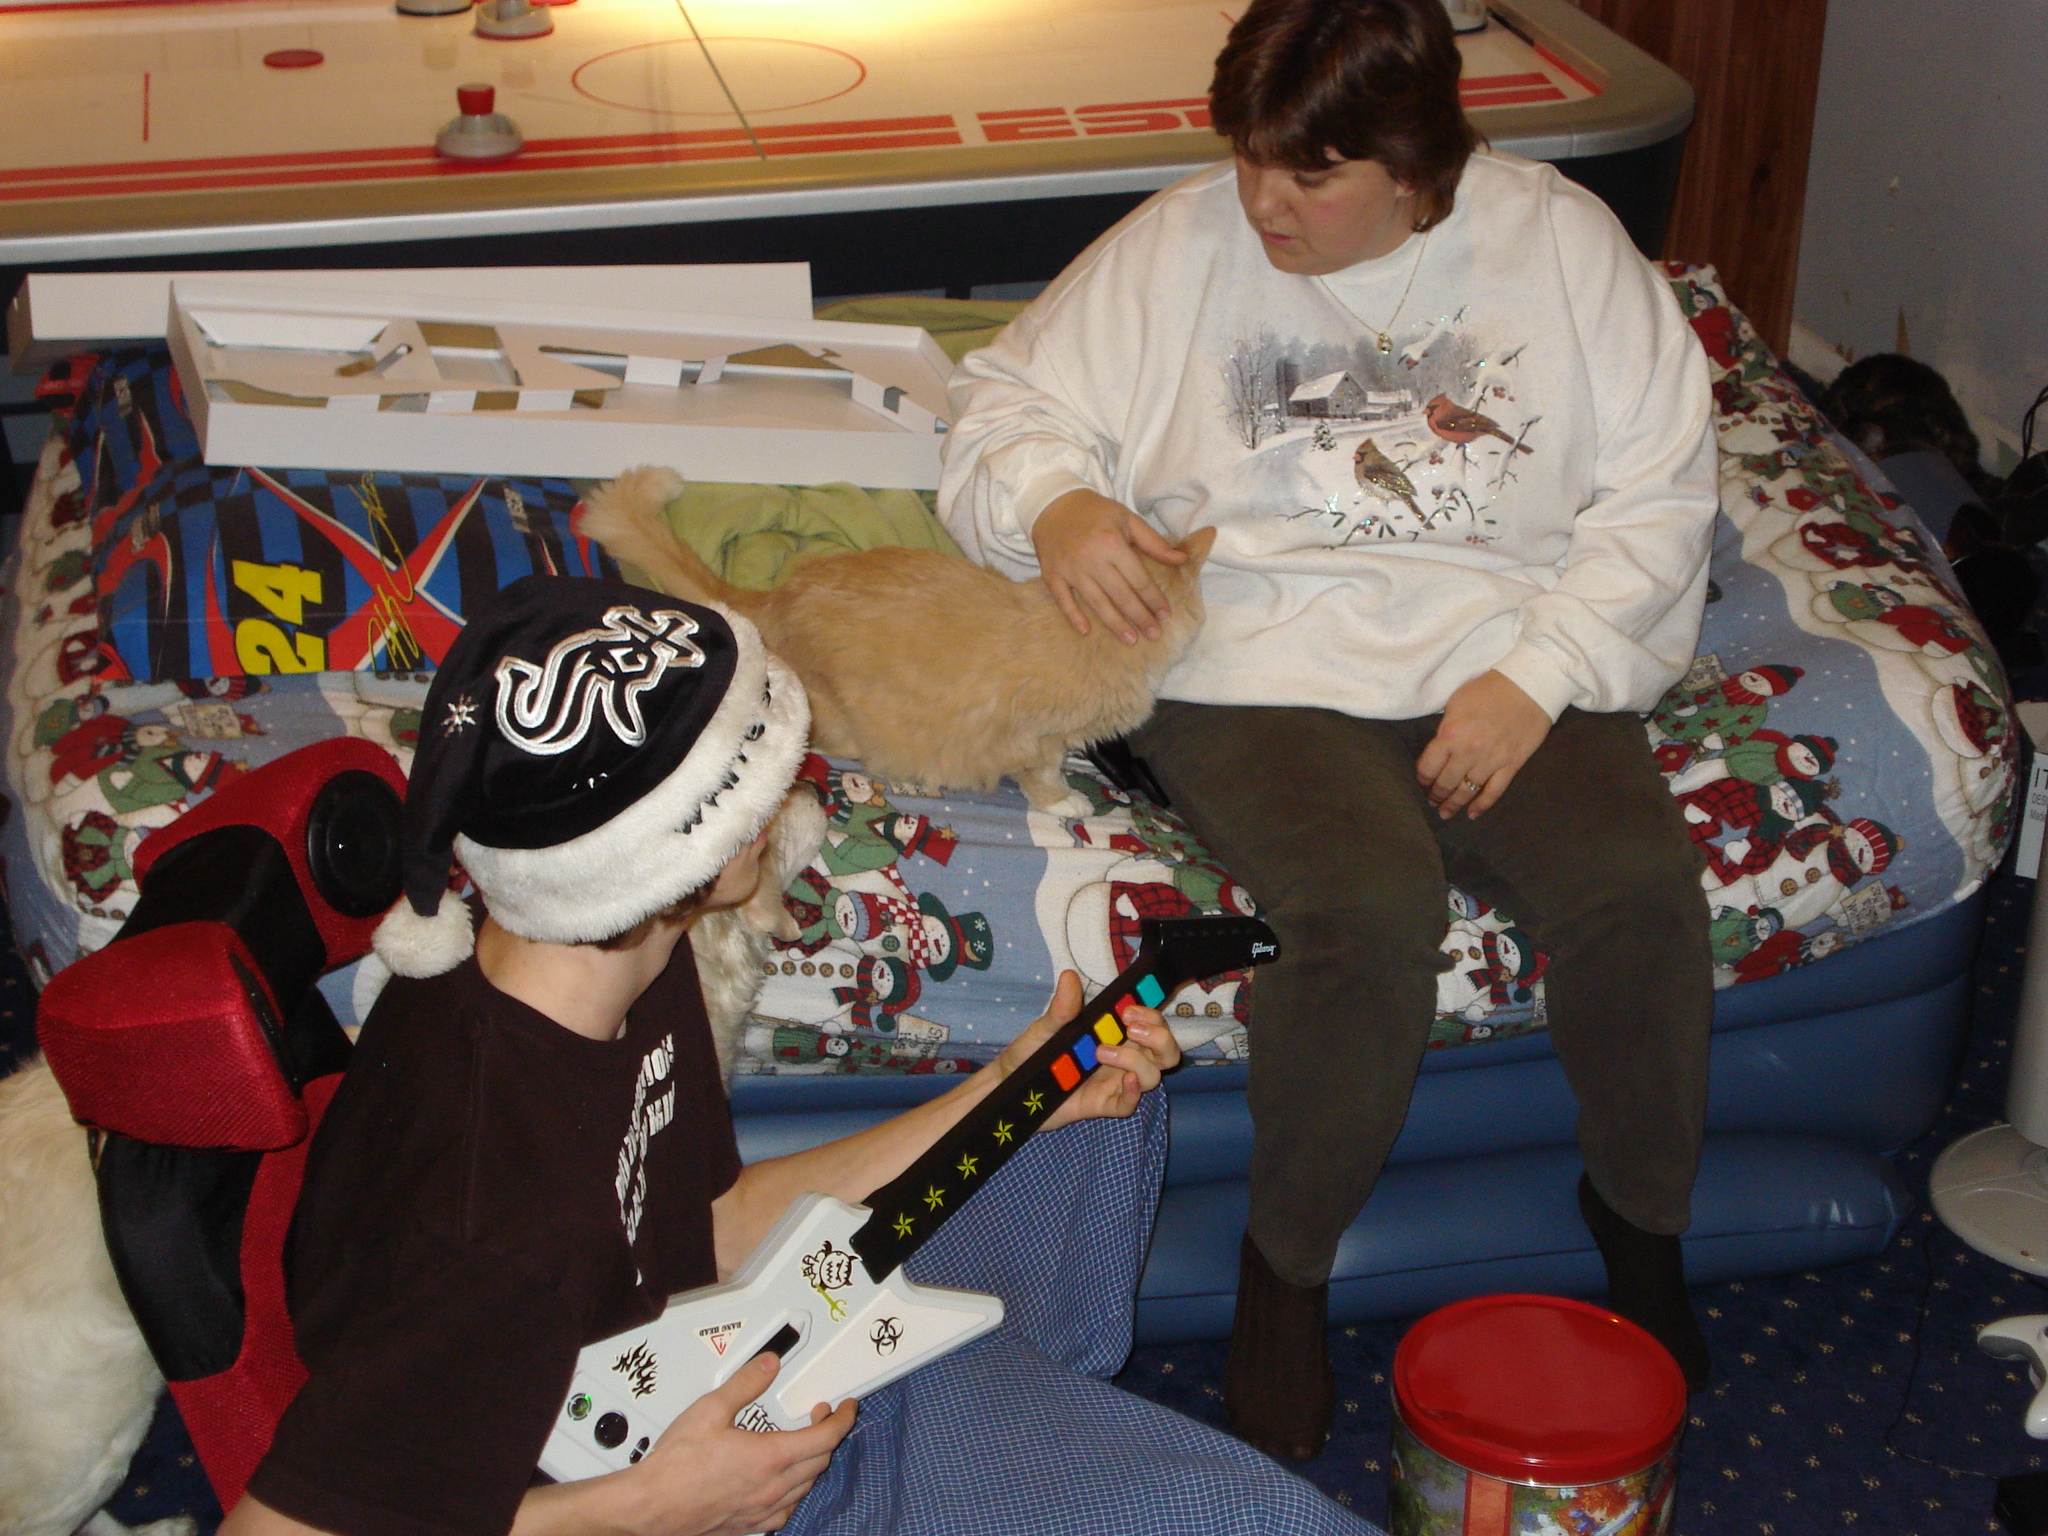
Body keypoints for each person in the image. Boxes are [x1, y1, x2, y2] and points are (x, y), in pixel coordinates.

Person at [938, 0, 1719, 1462]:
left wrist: (1540, 673)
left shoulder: (1561, 245)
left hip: (1502, 648)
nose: (1262, 202)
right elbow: (1000, 406)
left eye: (1311, 174)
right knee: (1362, 904)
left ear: (1416, 167)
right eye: (1249, 158)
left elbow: (1662, 494)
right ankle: (1283, 1271)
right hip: (1249, 662)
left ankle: (1641, 1225)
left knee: (1635, 890)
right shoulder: (1177, 246)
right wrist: (1059, 503)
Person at [221, 575, 1380, 1536]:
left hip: (730, 1341)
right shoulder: (486, 1214)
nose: (790, 789)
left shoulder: (616, 957)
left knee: (1094, 1108)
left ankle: (1028, 1417)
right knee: (1265, 1522)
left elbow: (708, 1220)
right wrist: (650, 1507)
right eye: (758, 773)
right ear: (664, 853)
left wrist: (1005, 1089)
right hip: (677, 1476)